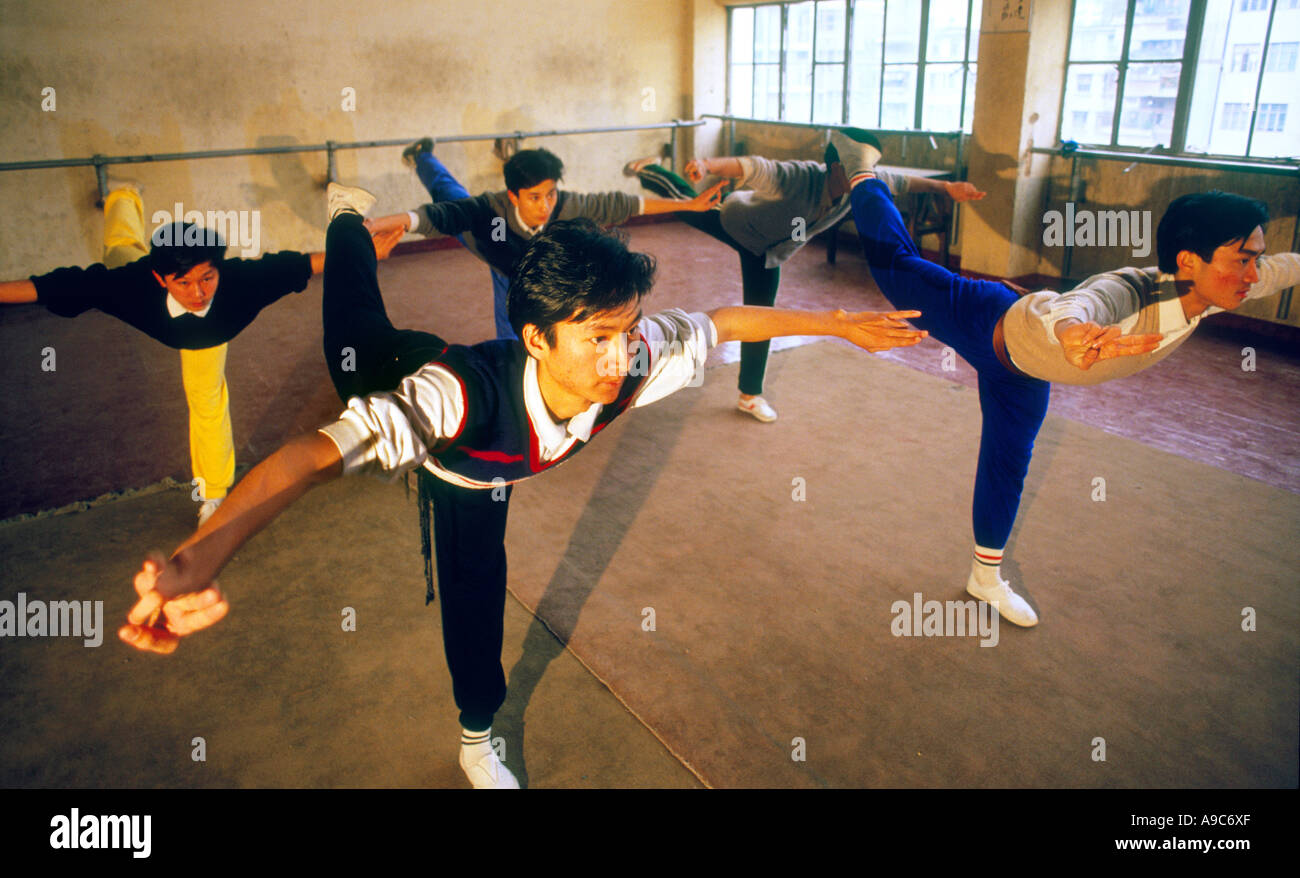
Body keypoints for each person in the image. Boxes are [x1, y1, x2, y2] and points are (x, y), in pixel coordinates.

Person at [116, 182, 929, 789]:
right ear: (535, 338)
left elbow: (724, 320)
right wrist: (204, 550)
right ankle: (346, 219)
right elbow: (309, 459)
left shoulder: (637, 355)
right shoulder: (459, 399)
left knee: (483, 572)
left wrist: (837, 325)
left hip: (479, 413)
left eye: (627, 330)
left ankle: (477, 732)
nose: (619, 359)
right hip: (414, 388)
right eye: (597, 338)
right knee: (357, 318)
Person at [827, 126, 1300, 628]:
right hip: (984, 319)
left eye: (1256, 260)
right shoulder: (1134, 287)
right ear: (1189, 261)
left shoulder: (1227, 284)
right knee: (896, 267)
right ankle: (861, 166)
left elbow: (1286, 268)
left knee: (1008, 463)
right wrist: (1073, 331)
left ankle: (984, 579)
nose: (1254, 274)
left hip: (1024, 370)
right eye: (1244, 260)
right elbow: (1084, 302)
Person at [0, 182, 367, 524]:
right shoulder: (132, 286)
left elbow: (301, 264)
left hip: (205, 338)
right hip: (141, 287)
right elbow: (52, 286)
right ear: (161, 280)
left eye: (207, 278)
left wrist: (364, 251)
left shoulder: (240, 283)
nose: (198, 293)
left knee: (207, 401)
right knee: (120, 248)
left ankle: (213, 495)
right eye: (184, 283)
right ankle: (124, 196)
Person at [626, 149, 985, 423]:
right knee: (691, 205)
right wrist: (708, 163)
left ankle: (749, 394)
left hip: (767, 252)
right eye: (853, 172)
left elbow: (903, 181)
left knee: (761, 317)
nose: (862, 179)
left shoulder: (861, 185)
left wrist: (947, 187)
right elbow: (751, 165)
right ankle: (650, 170)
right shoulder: (799, 176)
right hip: (736, 222)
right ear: (833, 169)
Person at [364, 140, 725, 340]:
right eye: (534, 197)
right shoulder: (490, 209)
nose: (545, 205)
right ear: (514, 194)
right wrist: (381, 223)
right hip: (491, 247)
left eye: (550, 194)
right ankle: (422, 156)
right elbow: (435, 217)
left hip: (534, 262)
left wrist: (688, 203)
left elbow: (624, 203)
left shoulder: (566, 206)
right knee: (449, 194)